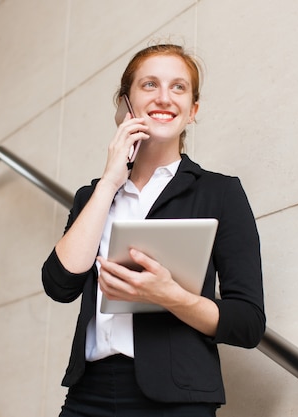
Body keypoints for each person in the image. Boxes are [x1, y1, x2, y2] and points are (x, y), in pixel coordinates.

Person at [42, 43, 265, 417]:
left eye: (179, 87)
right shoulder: (93, 197)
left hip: (179, 400)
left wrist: (170, 296)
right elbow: (59, 284)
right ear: (126, 104)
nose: (164, 97)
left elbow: (247, 323)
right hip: (88, 395)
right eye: (149, 85)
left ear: (193, 110)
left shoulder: (220, 193)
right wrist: (110, 181)